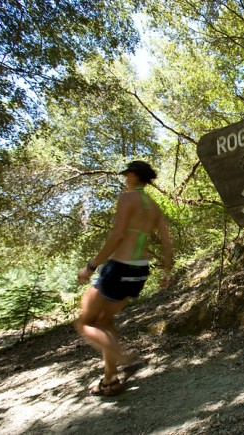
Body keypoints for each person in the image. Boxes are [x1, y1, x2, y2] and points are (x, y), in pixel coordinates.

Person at [75, 160, 173, 396]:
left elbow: (118, 235)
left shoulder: (127, 198)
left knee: (84, 323)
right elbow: (167, 242)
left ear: (132, 175)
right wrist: (167, 271)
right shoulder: (154, 206)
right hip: (139, 271)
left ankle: (125, 358)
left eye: (126, 174)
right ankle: (110, 381)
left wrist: (91, 266)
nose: (124, 178)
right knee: (105, 322)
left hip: (119, 267)